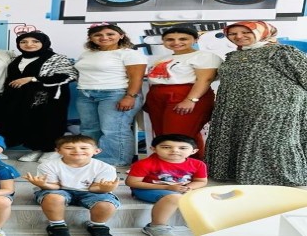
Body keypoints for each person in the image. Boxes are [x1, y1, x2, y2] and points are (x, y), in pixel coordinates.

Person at [207, 21, 307, 186]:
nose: (239, 36)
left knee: (270, 141)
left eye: (246, 32)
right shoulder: (234, 55)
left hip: (274, 106)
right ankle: (238, 174)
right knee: (241, 139)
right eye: (232, 34)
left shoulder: (280, 52)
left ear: (262, 32)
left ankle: (275, 179)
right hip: (236, 107)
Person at [23, 135, 120, 236]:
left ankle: (98, 226)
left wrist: (106, 188)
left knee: (107, 204)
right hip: (60, 190)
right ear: (58, 151)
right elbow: (55, 186)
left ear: (96, 151)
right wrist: (43, 184)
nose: (77, 151)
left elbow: (94, 188)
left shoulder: (106, 167)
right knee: (53, 198)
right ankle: (57, 226)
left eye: (84, 148)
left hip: (92, 191)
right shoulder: (48, 165)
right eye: (69, 148)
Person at [75, 23, 147, 167]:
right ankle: (92, 159)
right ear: (91, 38)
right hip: (85, 94)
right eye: (98, 35)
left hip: (116, 94)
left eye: (110, 34)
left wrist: (130, 97)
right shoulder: (86, 54)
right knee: (89, 129)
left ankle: (116, 161)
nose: (104, 37)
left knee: (113, 130)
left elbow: (136, 78)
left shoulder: (130, 54)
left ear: (121, 36)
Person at [144, 27, 221, 159]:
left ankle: (176, 165)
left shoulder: (205, 56)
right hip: (158, 96)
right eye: (170, 39)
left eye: (183, 39)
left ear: (195, 39)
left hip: (186, 95)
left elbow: (205, 79)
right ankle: (192, 165)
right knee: (164, 136)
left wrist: (191, 100)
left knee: (176, 137)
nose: (176, 42)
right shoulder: (162, 58)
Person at [2, 30, 78, 162]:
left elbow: (70, 76)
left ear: (44, 43)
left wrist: (33, 79)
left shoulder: (56, 58)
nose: (29, 44)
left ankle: (52, 150)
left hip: (49, 99)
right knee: (30, 123)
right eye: (23, 42)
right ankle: (36, 149)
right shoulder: (17, 59)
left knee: (50, 123)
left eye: (35, 41)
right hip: (22, 99)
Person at [125, 134, 208, 236]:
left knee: (211, 196)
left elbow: (201, 181)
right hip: (147, 189)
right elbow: (131, 182)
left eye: (182, 148)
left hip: (178, 189)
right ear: (153, 149)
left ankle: (203, 224)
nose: (175, 150)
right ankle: (156, 226)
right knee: (175, 197)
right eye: (166, 147)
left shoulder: (198, 164)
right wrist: (168, 187)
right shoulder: (144, 163)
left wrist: (188, 187)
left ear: (194, 151)